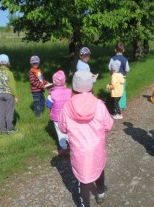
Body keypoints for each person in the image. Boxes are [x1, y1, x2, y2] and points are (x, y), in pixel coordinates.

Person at [58, 70, 113, 207]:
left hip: (79, 150)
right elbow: (109, 125)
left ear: (74, 87)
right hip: (97, 147)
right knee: (99, 169)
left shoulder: (67, 107)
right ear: (91, 85)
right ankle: (100, 193)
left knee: (83, 179)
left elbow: (63, 128)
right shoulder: (99, 104)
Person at [0, 54, 19, 134]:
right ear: (8, 63)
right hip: (8, 95)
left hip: (0, 95)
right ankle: (10, 129)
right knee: (9, 112)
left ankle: (2, 130)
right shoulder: (9, 73)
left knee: (1, 112)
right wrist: (15, 96)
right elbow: (12, 86)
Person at [46, 70, 72, 155]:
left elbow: (49, 104)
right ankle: (72, 145)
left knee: (60, 132)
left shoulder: (52, 93)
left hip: (57, 117)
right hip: (68, 116)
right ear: (64, 81)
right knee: (69, 130)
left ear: (53, 82)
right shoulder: (69, 91)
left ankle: (64, 148)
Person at [108, 41, 130, 110]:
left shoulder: (112, 59)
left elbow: (109, 67)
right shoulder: (125, 59)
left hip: (114, 78)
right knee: (122, 92)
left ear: (115, 50)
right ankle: (122, 105)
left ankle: (116, 107)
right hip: (122, 78)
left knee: (115, 92)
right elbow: (127, 69)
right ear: (123, 50)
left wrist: (112, 72)